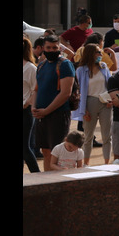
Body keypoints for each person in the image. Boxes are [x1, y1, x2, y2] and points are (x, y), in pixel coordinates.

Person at [33, 35, 76, 171]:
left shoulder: (65, 64)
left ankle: (57, 185)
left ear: (59, 48)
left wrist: (46, 110)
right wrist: (34, 107)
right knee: (45, 151)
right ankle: (48, 183)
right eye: (48, 48)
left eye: (54, 48)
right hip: (42, 116)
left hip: (58, 114)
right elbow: (36, 90)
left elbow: (65, 93)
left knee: (57, 154)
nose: (52, 50)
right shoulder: (41, 65)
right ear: (43, 48)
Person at [73, 43, 113, 165]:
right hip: (89, 102)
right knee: (88, 136)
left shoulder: (104, 67)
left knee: (107, 135)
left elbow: (109, 85)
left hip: (105, 102)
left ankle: (107, 162)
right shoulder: (81, 70)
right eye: (98, 52)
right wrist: (83, 109)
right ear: (90, 54)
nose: (100, 54)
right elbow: (78, 90)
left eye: (100, 52)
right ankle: (86, 163)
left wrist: (110, 99)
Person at [23, 37, 40, 173]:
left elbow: (36, 89)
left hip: (26, 112)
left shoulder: (30, 68)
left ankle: (36, 174)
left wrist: (27, 103)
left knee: (25, 147)